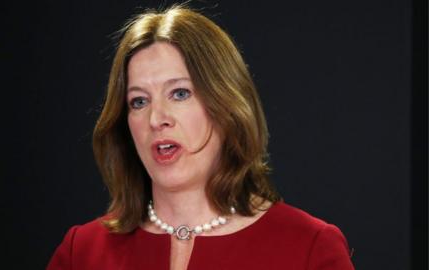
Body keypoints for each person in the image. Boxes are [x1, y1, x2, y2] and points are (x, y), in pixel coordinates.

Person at [47, 4, 354, 270]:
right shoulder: (82, 252)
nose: (156, 119)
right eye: (139, 101)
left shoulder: (309, 248)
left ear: (226, 105)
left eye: (180, 93)